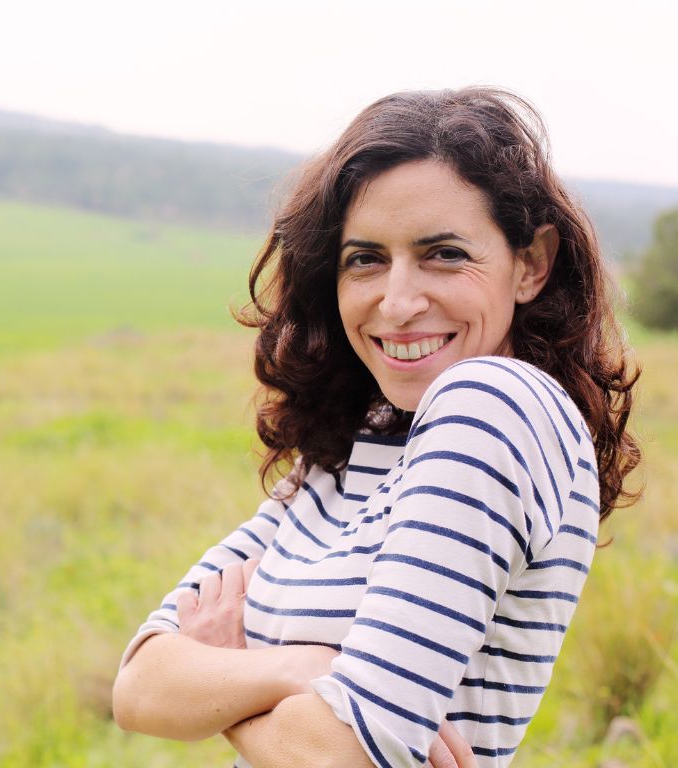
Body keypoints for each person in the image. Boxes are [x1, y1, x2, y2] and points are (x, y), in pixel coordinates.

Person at [112, 87, 641, 767]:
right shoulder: (353, 453)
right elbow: (139, 686)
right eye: (365, 258)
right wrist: (298, 671)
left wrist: (227, 669)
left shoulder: (496, 404)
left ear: (531, 264)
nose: (396, 302)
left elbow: (341, 755)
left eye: (443, 253)